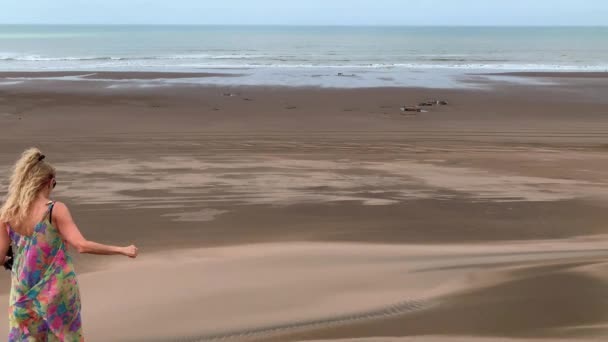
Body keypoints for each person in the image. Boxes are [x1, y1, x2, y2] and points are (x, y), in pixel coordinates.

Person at [0, 148, 138, 341]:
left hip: (23, 294)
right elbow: (82, 245)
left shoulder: (8, 214)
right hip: (56, 292)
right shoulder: (55, 209)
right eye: (54, 183)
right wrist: (121, 249)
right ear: (48, 182)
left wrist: (10, 260)